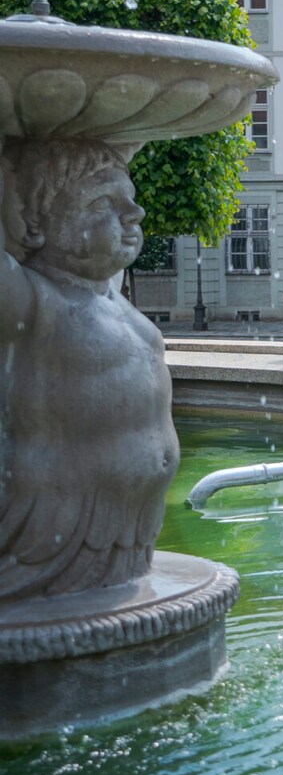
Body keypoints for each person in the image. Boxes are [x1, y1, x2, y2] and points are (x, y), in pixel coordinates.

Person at [0, 137, 179, 599]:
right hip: (56, 531)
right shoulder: (30, 299)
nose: (134, 214)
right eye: (103, 202)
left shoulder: (111, 300)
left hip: (124, 531)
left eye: (130, 201)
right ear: (35, 223)